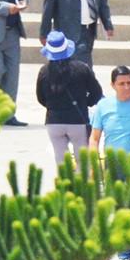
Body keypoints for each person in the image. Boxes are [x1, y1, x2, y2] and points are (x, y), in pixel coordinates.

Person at [35, 31, 102, 164]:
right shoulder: (82, 69)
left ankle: (64, 184)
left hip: (54, 121)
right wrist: (85, 103)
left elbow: (41, 98)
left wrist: (53, 106)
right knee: (82, 161)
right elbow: (97, 93)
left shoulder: (44, 71)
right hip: (77, 120)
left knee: (61, 160)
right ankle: (81, 184)